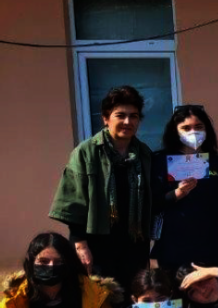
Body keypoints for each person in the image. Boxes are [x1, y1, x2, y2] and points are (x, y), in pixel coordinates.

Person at [50, 85, 152, 292]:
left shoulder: (143, 153)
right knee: (101, 299)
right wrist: (80, 245)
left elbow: (153, 197)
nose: (127, 122)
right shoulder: (86, 152)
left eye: (133, 116)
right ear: (106, 118)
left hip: (134, 246)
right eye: (120, 115)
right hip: (97, 247)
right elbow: (72, 202)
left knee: (134, 299)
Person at [151, 105, 218, 273]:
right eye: (186, 128)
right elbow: (152, 203)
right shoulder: (160, 160)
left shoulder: (216, 162)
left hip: (210, 246)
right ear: (175, 131)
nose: (193, 132)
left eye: (198, 127)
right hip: (173, 246)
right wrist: (176, 194)